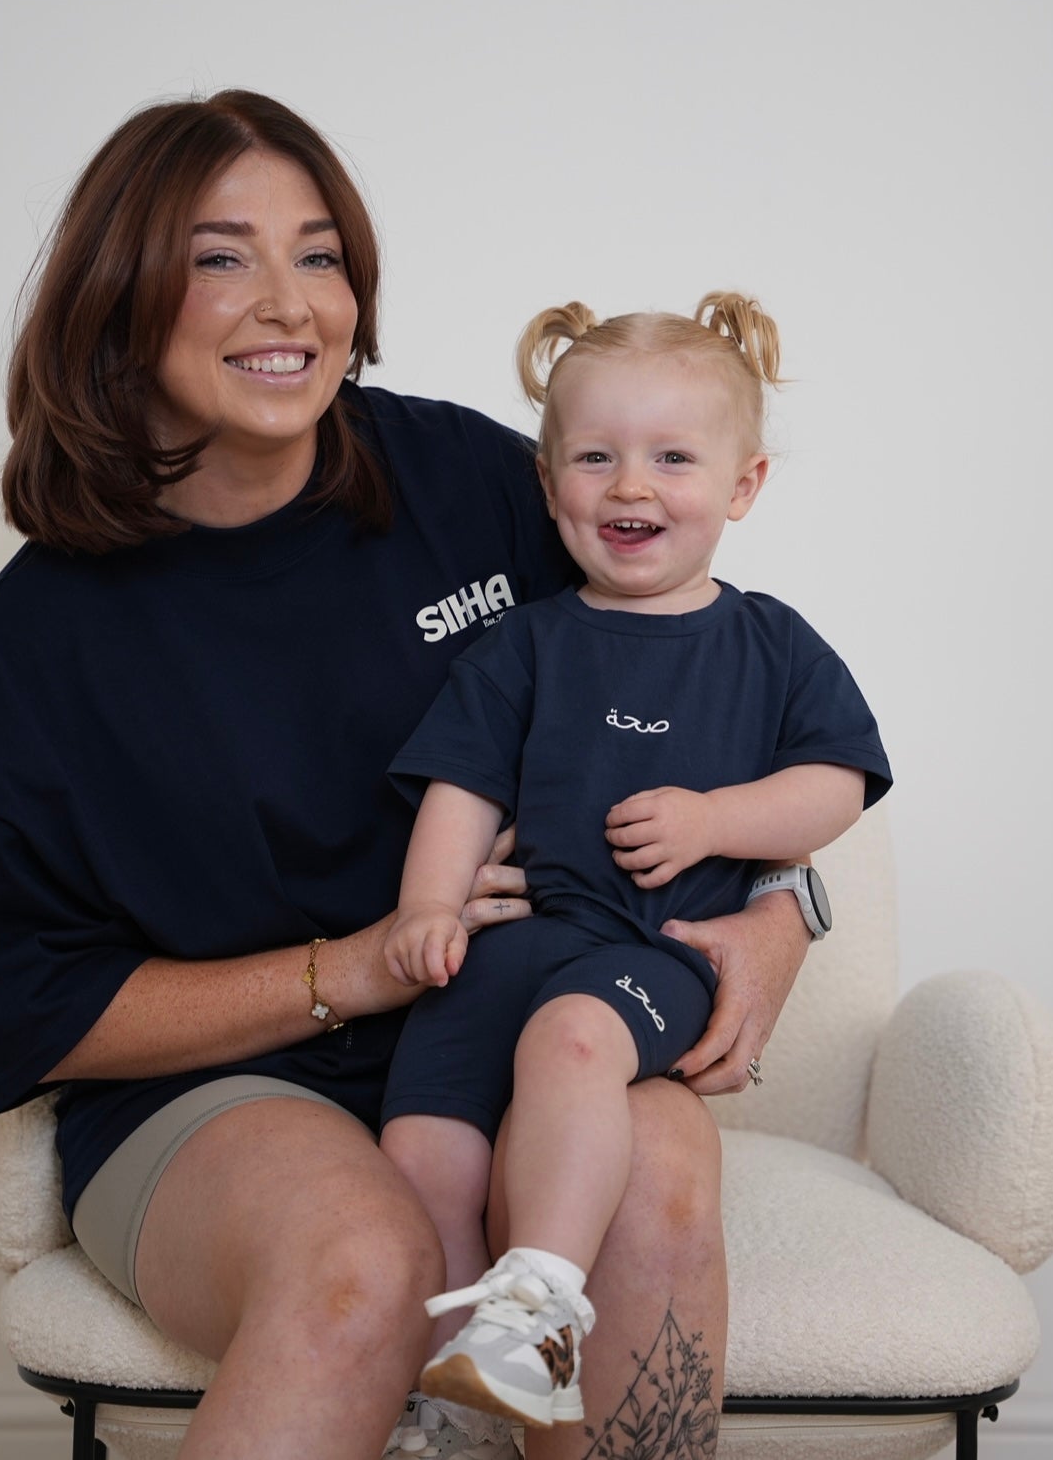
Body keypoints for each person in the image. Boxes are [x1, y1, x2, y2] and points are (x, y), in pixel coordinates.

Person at [0, 89, 821, 1460]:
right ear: (123, 294)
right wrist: (353, 966)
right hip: (222, 1091)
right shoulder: (48, 630)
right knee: (363, 1261)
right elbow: (30, 1006)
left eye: (321, 253)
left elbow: (713, 688)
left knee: (662, 1188)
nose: (287, 302)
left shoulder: (472, 480)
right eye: (221, 255)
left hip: (525, 1026)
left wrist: (783, 912)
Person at [378, 298, 891, 1431]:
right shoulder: (525, 641)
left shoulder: (769, 643)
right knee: (421, 1148)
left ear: (743, 485)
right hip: (510, 948)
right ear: (551, 479)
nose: (631, 486)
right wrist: (427, 904)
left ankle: (542, 1305)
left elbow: (837, 785)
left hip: (651, 953)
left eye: (672, 458)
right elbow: (464, 784)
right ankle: (456, 1392)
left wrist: (716, 821)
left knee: (573, 1044)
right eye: (595, 457)